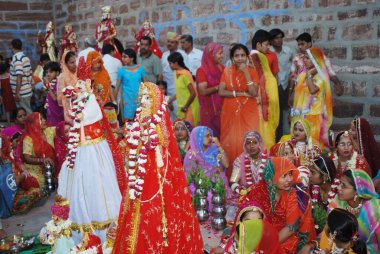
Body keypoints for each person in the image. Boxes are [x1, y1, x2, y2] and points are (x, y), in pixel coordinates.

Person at [112, 82, 203, 253]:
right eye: (142, 98)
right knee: (136, 208)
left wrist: (146, 139)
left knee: (157, 213)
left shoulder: (158, 120)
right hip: (140, 171)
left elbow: (163, 142)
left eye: (148, 98)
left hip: (157, 175)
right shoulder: (139, 118)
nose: (143, 102)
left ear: (156, 101)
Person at [57, 61, 125, 243]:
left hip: (94, 149)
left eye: (81, 83)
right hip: (81, 149)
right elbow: (71, 118)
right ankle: (81, 229)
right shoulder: (77, 99)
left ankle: (105, 230)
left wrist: (77, 115)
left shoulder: (93, 100)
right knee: (80, 185)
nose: (77, 86)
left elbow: (91, 117)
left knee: (98, 183)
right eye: (77, 83)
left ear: (88, 84)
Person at [240, 157, 316, 253]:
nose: (289, 179)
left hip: (287, 238)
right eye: (284, 176)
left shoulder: (294, 195)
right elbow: (246, 217)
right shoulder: (258, 192)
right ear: (271, 178)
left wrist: (267, 248)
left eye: (290, 174)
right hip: (263, 234)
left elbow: (290, 230)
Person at [219, 44, 260, 178]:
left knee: (249, 141)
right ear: (232, 57)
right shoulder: (227, 71)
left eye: (243, 55)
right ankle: (232, 178)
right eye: (236, 55)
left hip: (249, 113)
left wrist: (246, 73)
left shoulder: (252, 71)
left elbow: (253, 93)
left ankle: (249, 178)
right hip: (230, 112)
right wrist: (240, 93)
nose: (240, 58)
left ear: (247, 57)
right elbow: (221, 91)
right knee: (230, 144)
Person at [326, 170, 379, 253]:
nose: (338, 188)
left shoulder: (374, 209)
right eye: (339, 183)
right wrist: (312, 244)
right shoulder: (337, 203)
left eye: (343, 186)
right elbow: (328, 232)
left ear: (357, 191)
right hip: (340, 249)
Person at [291, 47, 333, 149]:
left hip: (314, 116)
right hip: (301, 116)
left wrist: (309, 75)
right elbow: (298, 96)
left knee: (313, 146)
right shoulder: (302, 73)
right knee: (300, 146)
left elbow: (313, 90)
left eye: (308, 58)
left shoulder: (321, 76)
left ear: (316, 60)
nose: (304, 60)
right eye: (304, 58)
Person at [183, 126, 230, 207]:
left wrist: (219, 146)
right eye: (207, 136)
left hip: (218, 184)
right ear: (199, 137)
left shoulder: (214, 148)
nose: (211, 138)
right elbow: (188, 177)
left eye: (210, 135)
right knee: (210, 198)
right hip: (201, 187)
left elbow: (226, 164)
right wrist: (197, 191)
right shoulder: (191, 155)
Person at [289, 32, 344, 98]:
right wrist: (289, 94)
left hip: (317, 93)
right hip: (301, 94)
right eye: (299, 45)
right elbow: (293, 77)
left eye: (302, 44)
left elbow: (330, 72)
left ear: (309, 44)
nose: (300, 47)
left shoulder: (321, 57)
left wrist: (337, 83)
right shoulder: (296, 59)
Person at [250, 31, 279, 149]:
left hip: (261, 98)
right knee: (264, 129)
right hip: (261, 99)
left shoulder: (256, 56)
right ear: (258, 45)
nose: (268, 47)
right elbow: (261, 79)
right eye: (266, 44)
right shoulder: (257, 57)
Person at [269, 28, 295, 139]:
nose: (279, 40)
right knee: (276, 115)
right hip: (274, 87)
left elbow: (296, 65)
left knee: (288, 113)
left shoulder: (289, 51)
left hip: (287, 85)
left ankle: (288, 138)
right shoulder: (268, 52)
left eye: (280, 37)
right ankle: (278, 139)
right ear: (271, 40)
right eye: (276, 38)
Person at [195, 42, 224, 138]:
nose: (222, 56)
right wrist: (218, 87)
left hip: (222, 108)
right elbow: (203, 91)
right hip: (209, 110)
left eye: (222, 53)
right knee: (210, 137)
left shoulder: (222, 68)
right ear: (211, 54)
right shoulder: (202, 70)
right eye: (219, 53)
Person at [161, 32, 189, 120]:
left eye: (172, 42)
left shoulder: (182, 55)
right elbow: (162, 73)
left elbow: (186, 71)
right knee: (170, 118)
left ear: (177, 44)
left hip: (179, 91)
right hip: (167, 92)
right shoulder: (164, 55)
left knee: (180, 116)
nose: (169, 44)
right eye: (168, 42)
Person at [167, 52, 200, 126]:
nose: (169, 66)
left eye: (170, 63)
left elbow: (193, 93)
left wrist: (185, 107)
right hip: (182, 108)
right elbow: (180, 92)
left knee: (189, 131)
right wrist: (170, 100)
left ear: (176, 63)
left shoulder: (185, 74)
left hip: (190, 107)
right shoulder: (175, 73)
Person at [114, 48, 147, 122]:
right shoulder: (121, 70)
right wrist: (113, 102)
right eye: (122, 57)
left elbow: (146, 85)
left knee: (139, 120)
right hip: (127, 98)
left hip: (139, 98)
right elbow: (117, 87)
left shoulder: (140, 69)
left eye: (125, 57)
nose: (123, 59)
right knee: (128, 120)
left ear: (132, 58)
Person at [308, 155, 339, 234]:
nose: (309, 175)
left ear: (325, 176)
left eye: (312, 172)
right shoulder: (311, 189)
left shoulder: (339, 192)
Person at [9, 39, 33, 113]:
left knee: (26, 114)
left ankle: (34, 124)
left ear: (12, 46)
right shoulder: (25, 58)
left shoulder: (17, 59)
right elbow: (30, 74)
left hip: (22, 93)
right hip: (26, 90)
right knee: (26, 113)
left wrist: (17, 93)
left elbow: (19, 76)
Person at [57, 51, 77, 122]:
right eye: (72, 62)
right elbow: (60, 97)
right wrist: (72, 95)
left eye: (75, 61)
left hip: (82, 104)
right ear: (66, 64)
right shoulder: (62, 77)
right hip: (70, 107)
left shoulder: (79, 73)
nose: (75, 64)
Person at [44, 61, 64, 126]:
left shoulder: (58, 83)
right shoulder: (52, 82)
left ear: (57, 73)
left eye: (51, 72)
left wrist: (48, 86)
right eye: (46, 72)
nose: (48, 74)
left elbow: (55, 98)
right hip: (52, 111)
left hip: (56, 112)